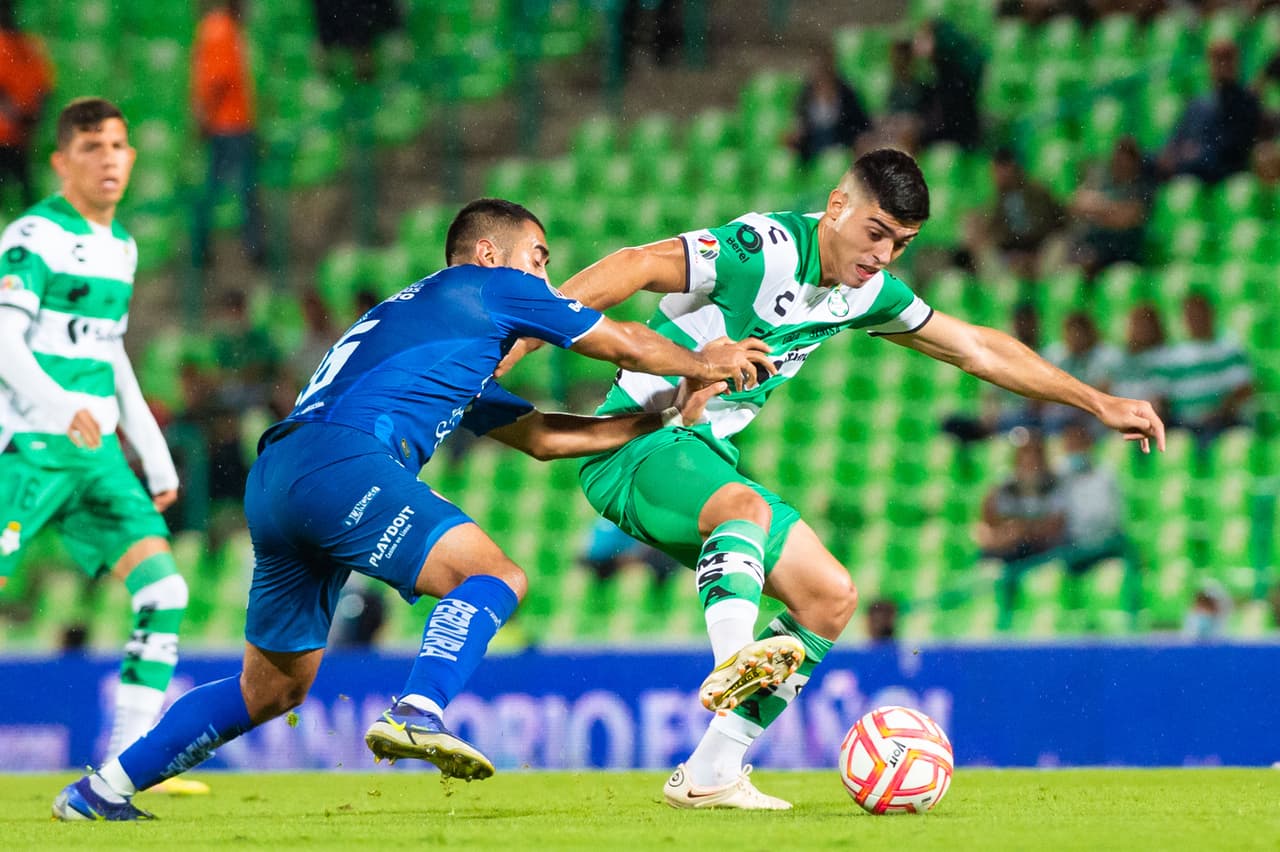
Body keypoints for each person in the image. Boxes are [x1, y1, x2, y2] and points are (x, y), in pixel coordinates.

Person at [52, 197, 776, 820]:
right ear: (490, 252)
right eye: (539, 258)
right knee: (495, 576)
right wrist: (705, 361)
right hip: (343, 462)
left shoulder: (439, 327)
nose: (547, 279)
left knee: (270, 687)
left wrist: (664, 418)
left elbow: (547, 439)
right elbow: (621, 340)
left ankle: (100, 790)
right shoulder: (488, 286)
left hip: (281, 477)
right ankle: (418, 709)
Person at [501, 148, 1165, 809]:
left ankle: (710, 772)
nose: (883, 256)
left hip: (702, 451)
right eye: (876, 234)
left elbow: (976, 347)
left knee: (829, 598)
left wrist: (1096, 402)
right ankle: (733, 662)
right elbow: (635, 264)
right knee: (744, 507)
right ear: (838, 206)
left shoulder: (865, 292)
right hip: (637, 443)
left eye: (900, 244)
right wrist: (525, 334)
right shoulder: (763, 248)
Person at [0, 98, 205, 794]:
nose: (109, 158)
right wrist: (59, 407)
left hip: (96, 456)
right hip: (25, 446)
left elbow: (111, 353)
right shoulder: (34, 236)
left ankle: (125, 766)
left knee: (165, 589)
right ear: (62, 161)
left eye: (118, 144)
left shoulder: (122, 246)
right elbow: (3, 341)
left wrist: (152, 452)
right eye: (91, 147)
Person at [190, 0, 266, 269]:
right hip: (230, 123)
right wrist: (204, 115)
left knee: (219, 186)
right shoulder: (221, 28)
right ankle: (251, 247)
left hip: (227, 122)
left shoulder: (215, 27)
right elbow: (218, 79)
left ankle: (201, 247)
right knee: (241, 187)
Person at [1157, 292, 1253, 448]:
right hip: (1183, 423)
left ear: (1211, 314)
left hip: (1220, 421)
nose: (1196, 319)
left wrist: (1218, 413)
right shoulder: (1173, 356)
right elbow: (1161, 396)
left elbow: (1242, 390)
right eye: (1191, 315)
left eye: (1200, 314)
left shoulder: (1229, 349)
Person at [1158, 40, 1261, 183]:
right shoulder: (1198, 102)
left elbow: (1234, 145)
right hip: (1192, 162)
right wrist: (1172, 152)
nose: (1222, 66)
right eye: (1217, 60)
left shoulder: (1246, 101)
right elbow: (1179, 135)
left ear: (1236, 63)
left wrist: (1197, 152)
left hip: (1221, 167)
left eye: (1227, 59)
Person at [968, 147, 1065, 280]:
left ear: (1011, 168)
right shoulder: (993, 200)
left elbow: (1054, 224)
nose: (996, 176)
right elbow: (992, 233)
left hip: (1039, 248)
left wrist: (1032, 257)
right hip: (1009, 253)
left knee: (1058, 244)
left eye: (999, 170)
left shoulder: (1038, 192)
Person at [1068, 136, 1154, 279]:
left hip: (1124, 249)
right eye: (1118, 160)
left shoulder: (1141, 188)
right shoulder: (1104, 181)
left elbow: (1127, 219)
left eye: (1126, 161)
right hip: (1094, 244)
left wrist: (1097, 207)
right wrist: (1110, 211)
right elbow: (1075, 205)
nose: (1121, 165)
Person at [0, 0, 54, 211]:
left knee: (27, 203)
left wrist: (26, 114)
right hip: (9, 137)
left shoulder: (27, 45)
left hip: (17, 141)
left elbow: (44, 88)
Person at [786, 45, 872, 165]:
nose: (822, 70)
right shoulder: (806, 93)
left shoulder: (846, 91)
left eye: (825, 66)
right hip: (812, 144)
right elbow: (799, 120)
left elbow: (861, 123)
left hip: (840, 143)